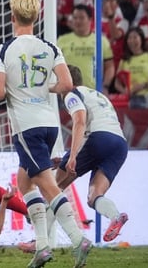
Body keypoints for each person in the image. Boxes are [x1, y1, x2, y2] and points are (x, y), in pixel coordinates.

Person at [0, 0, 92, 268]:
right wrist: (44, 88)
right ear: (35, 18)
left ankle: (78, 238)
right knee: (24, 182)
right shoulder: (51, 47)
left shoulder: (3, 50)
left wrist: (12, 88)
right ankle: (42, 247)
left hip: (26, 126)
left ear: (12, 17)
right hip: (49, 124)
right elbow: (67, 84)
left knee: (47, 184)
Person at [58, 65, 130, 242]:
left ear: (67, 81)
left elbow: (80, 122)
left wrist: (72, 156)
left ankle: (41, 241)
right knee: (94, 196)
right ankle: (115, 216)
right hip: (119, 144)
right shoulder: (97, 94)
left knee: (53, 187)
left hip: (98, 138)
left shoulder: (72, 94)